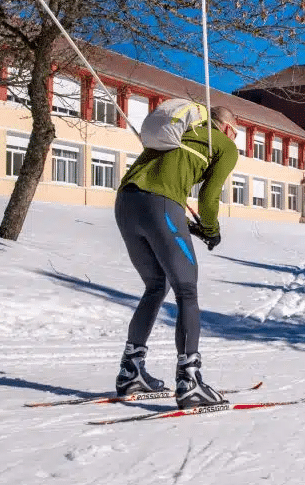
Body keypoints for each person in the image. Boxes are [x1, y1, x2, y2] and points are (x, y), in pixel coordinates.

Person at [114, 105, 240, 409]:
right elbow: (208, 197)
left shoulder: (177, 132)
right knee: (186, 289)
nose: (236, 141)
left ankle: (131, 372)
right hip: (161, 207)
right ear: (226, 128)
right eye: (237, 134)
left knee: (156, 285)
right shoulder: (223, 144)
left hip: (125, 203)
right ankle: (189, 380)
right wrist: (211, 229)